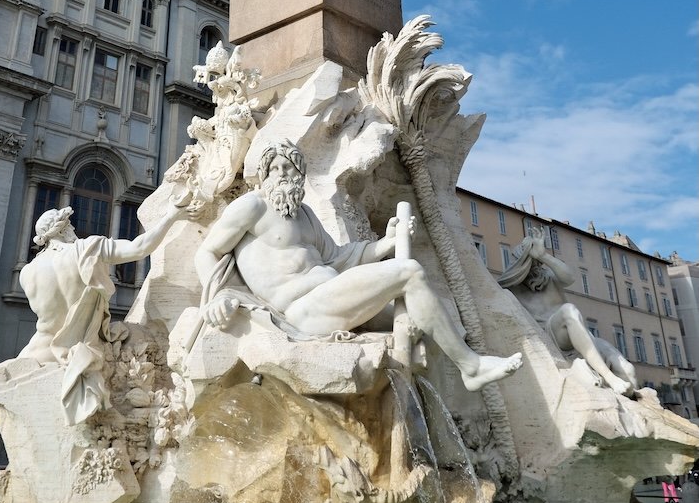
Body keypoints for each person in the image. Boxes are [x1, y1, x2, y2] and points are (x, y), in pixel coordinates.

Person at [196, 140, 522, 393]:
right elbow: (207, 251)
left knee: (425, 318)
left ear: (300, 175)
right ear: (264, 175)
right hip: (301, 310)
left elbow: (338, 257)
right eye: (276, 168)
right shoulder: (253, 206)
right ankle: (471, 366)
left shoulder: (306, 216)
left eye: (290, 168)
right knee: (408, 273)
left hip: (329, 295)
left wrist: (387, 242)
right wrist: (215, 298)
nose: (282, 174)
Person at [16, 196, 196, 424]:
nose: (73, 228)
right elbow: (139, 248)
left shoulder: (28, 272)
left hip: (40, 351)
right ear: (61, 229)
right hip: (84, 348)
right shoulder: (87, 249)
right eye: (69, 224)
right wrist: (173, 214)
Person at [498, 226, 638, 396]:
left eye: (537, 262)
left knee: (628, 369)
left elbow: (569, 278)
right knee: (568, 310)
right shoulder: (510, 290)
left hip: (580, 335)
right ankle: (609, 377)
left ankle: (634, 403)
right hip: (553, 338)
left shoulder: (549, 276)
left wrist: (544, 255)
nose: (535, 265)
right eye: (530, 258)